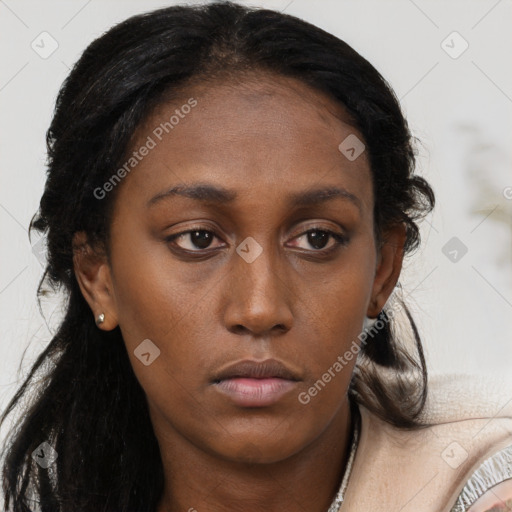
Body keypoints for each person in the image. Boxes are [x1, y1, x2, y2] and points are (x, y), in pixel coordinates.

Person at [1, 2, 510, 511]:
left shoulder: (479, 483)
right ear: (98, 276)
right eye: (198, 239)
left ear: (382, 268)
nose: (261, 309)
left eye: (317, 238)